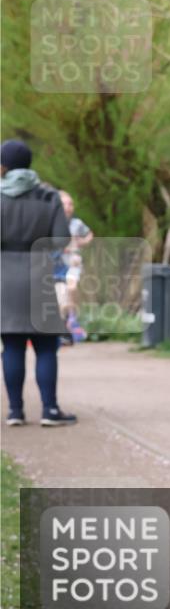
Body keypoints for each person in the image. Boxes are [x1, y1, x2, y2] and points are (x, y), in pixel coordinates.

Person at [0, 139, 77, 426]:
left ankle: (15, 412)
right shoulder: (48, 196)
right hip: (39, 274)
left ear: (4, 166)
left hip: (5, 277)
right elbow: (61, 239)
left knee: (12, 346)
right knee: (46, 345)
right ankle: (49, 410)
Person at [58, 190, 92, 343]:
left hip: (73, 262)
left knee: (71, 288)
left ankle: (72, 319)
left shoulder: (77, 224)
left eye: (70, 204)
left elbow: (90, 234)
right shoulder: (53, 223)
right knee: (61, 297)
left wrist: (81, 243)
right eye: (64, 203)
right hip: (57, 265)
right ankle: (66, 323)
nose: (68, 207)